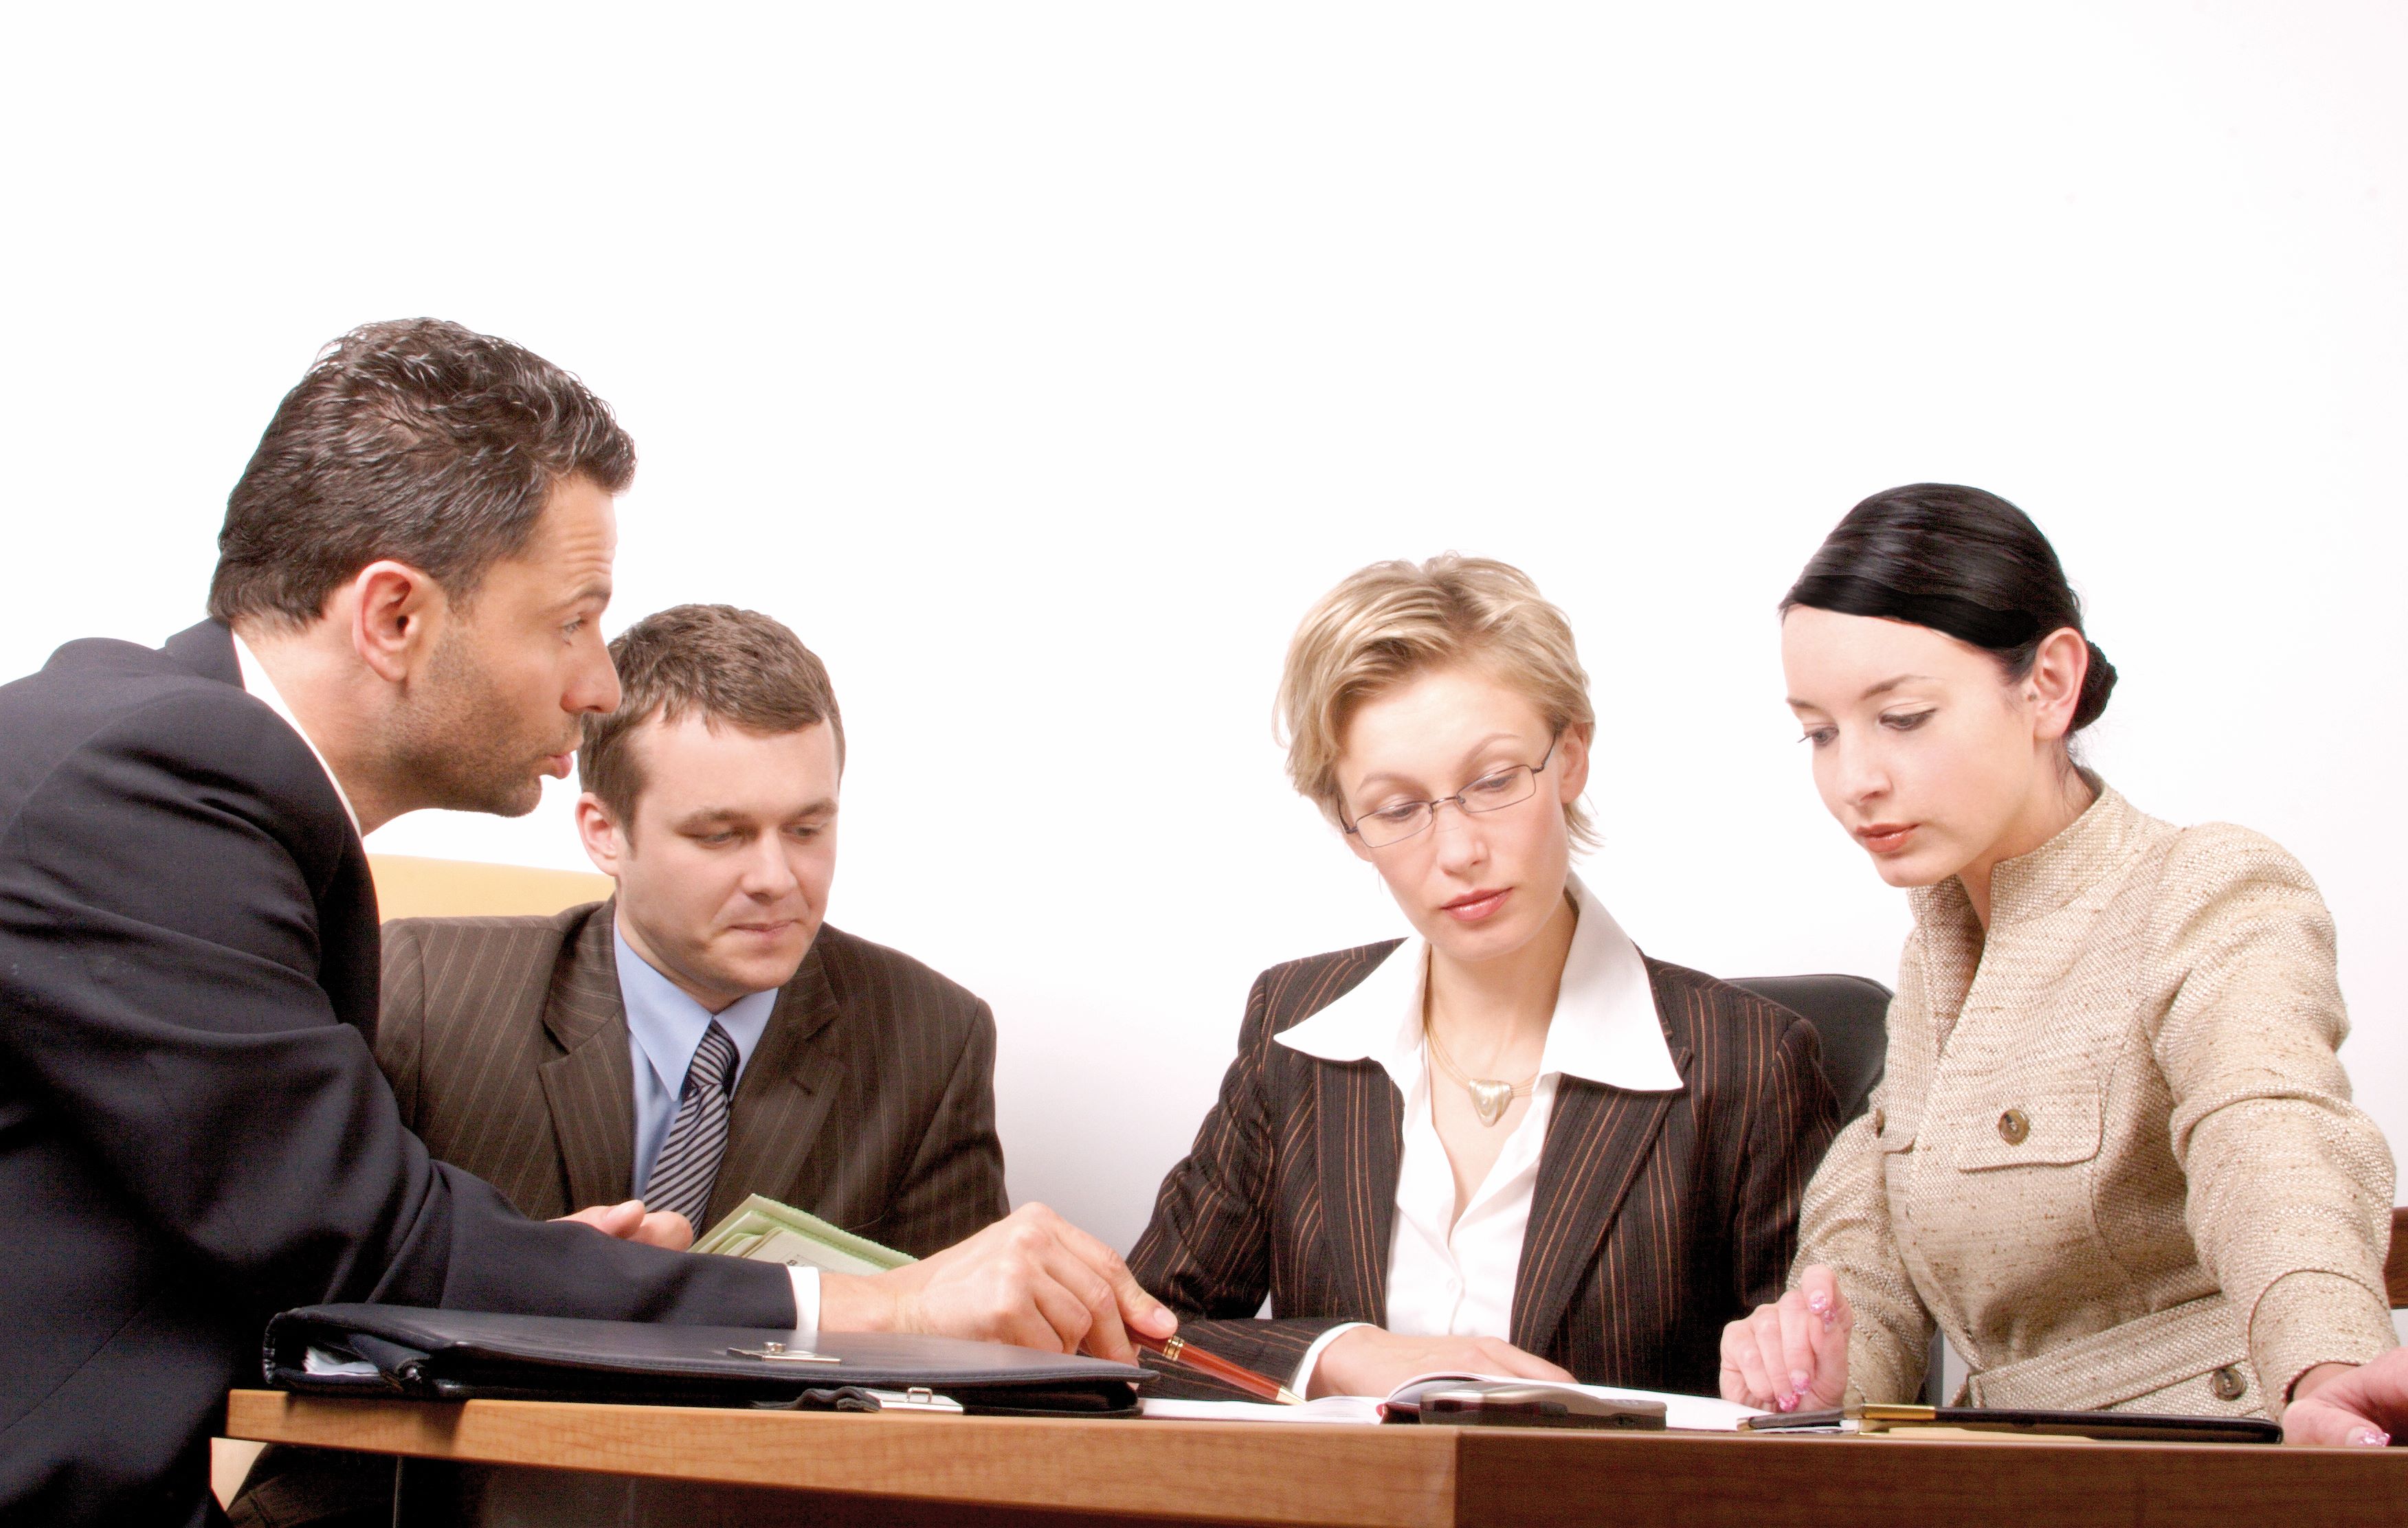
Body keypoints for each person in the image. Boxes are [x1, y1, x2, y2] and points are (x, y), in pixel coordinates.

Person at [0, 319, 1167, 1528]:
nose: (599, 681)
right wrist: (885, 1304)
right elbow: (370, 1244)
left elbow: (272, 1246)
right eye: (572, 619)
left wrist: (527, 1273)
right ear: (394, 616)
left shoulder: (158, 763)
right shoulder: (163, 772)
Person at [232, 602, 1013, 1524]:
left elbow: (967, 1380)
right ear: (603, 831)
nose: (778, 877)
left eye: (807, 829)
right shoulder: (425, 986)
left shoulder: (932, 1036)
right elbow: (290, 1303)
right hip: (429, 1502)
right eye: (721, 835)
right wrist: (513, 1291)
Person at [1724, 482, 2397, 1443]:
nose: (1853, 780)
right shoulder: (1934, 959)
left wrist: (2326, 1371)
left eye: (1903, 717)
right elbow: (1871, 1246)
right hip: (2002, 1469)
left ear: (2049, 685)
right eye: (1820, 733)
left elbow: (2269, 1136)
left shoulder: (2201, 886)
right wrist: (1817, 1365)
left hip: (2208, 1455)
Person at [1129, 554, 1839, 1400]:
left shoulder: (1750, 1064)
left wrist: (1800, 1381)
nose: (1459, 852)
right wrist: (1339, 1355)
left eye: (1496, 781)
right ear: (1350, 827)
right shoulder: (1295, 1028)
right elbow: (1143, 1333)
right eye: (1397, 809)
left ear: (1571, 756)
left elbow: (1814, 1414)